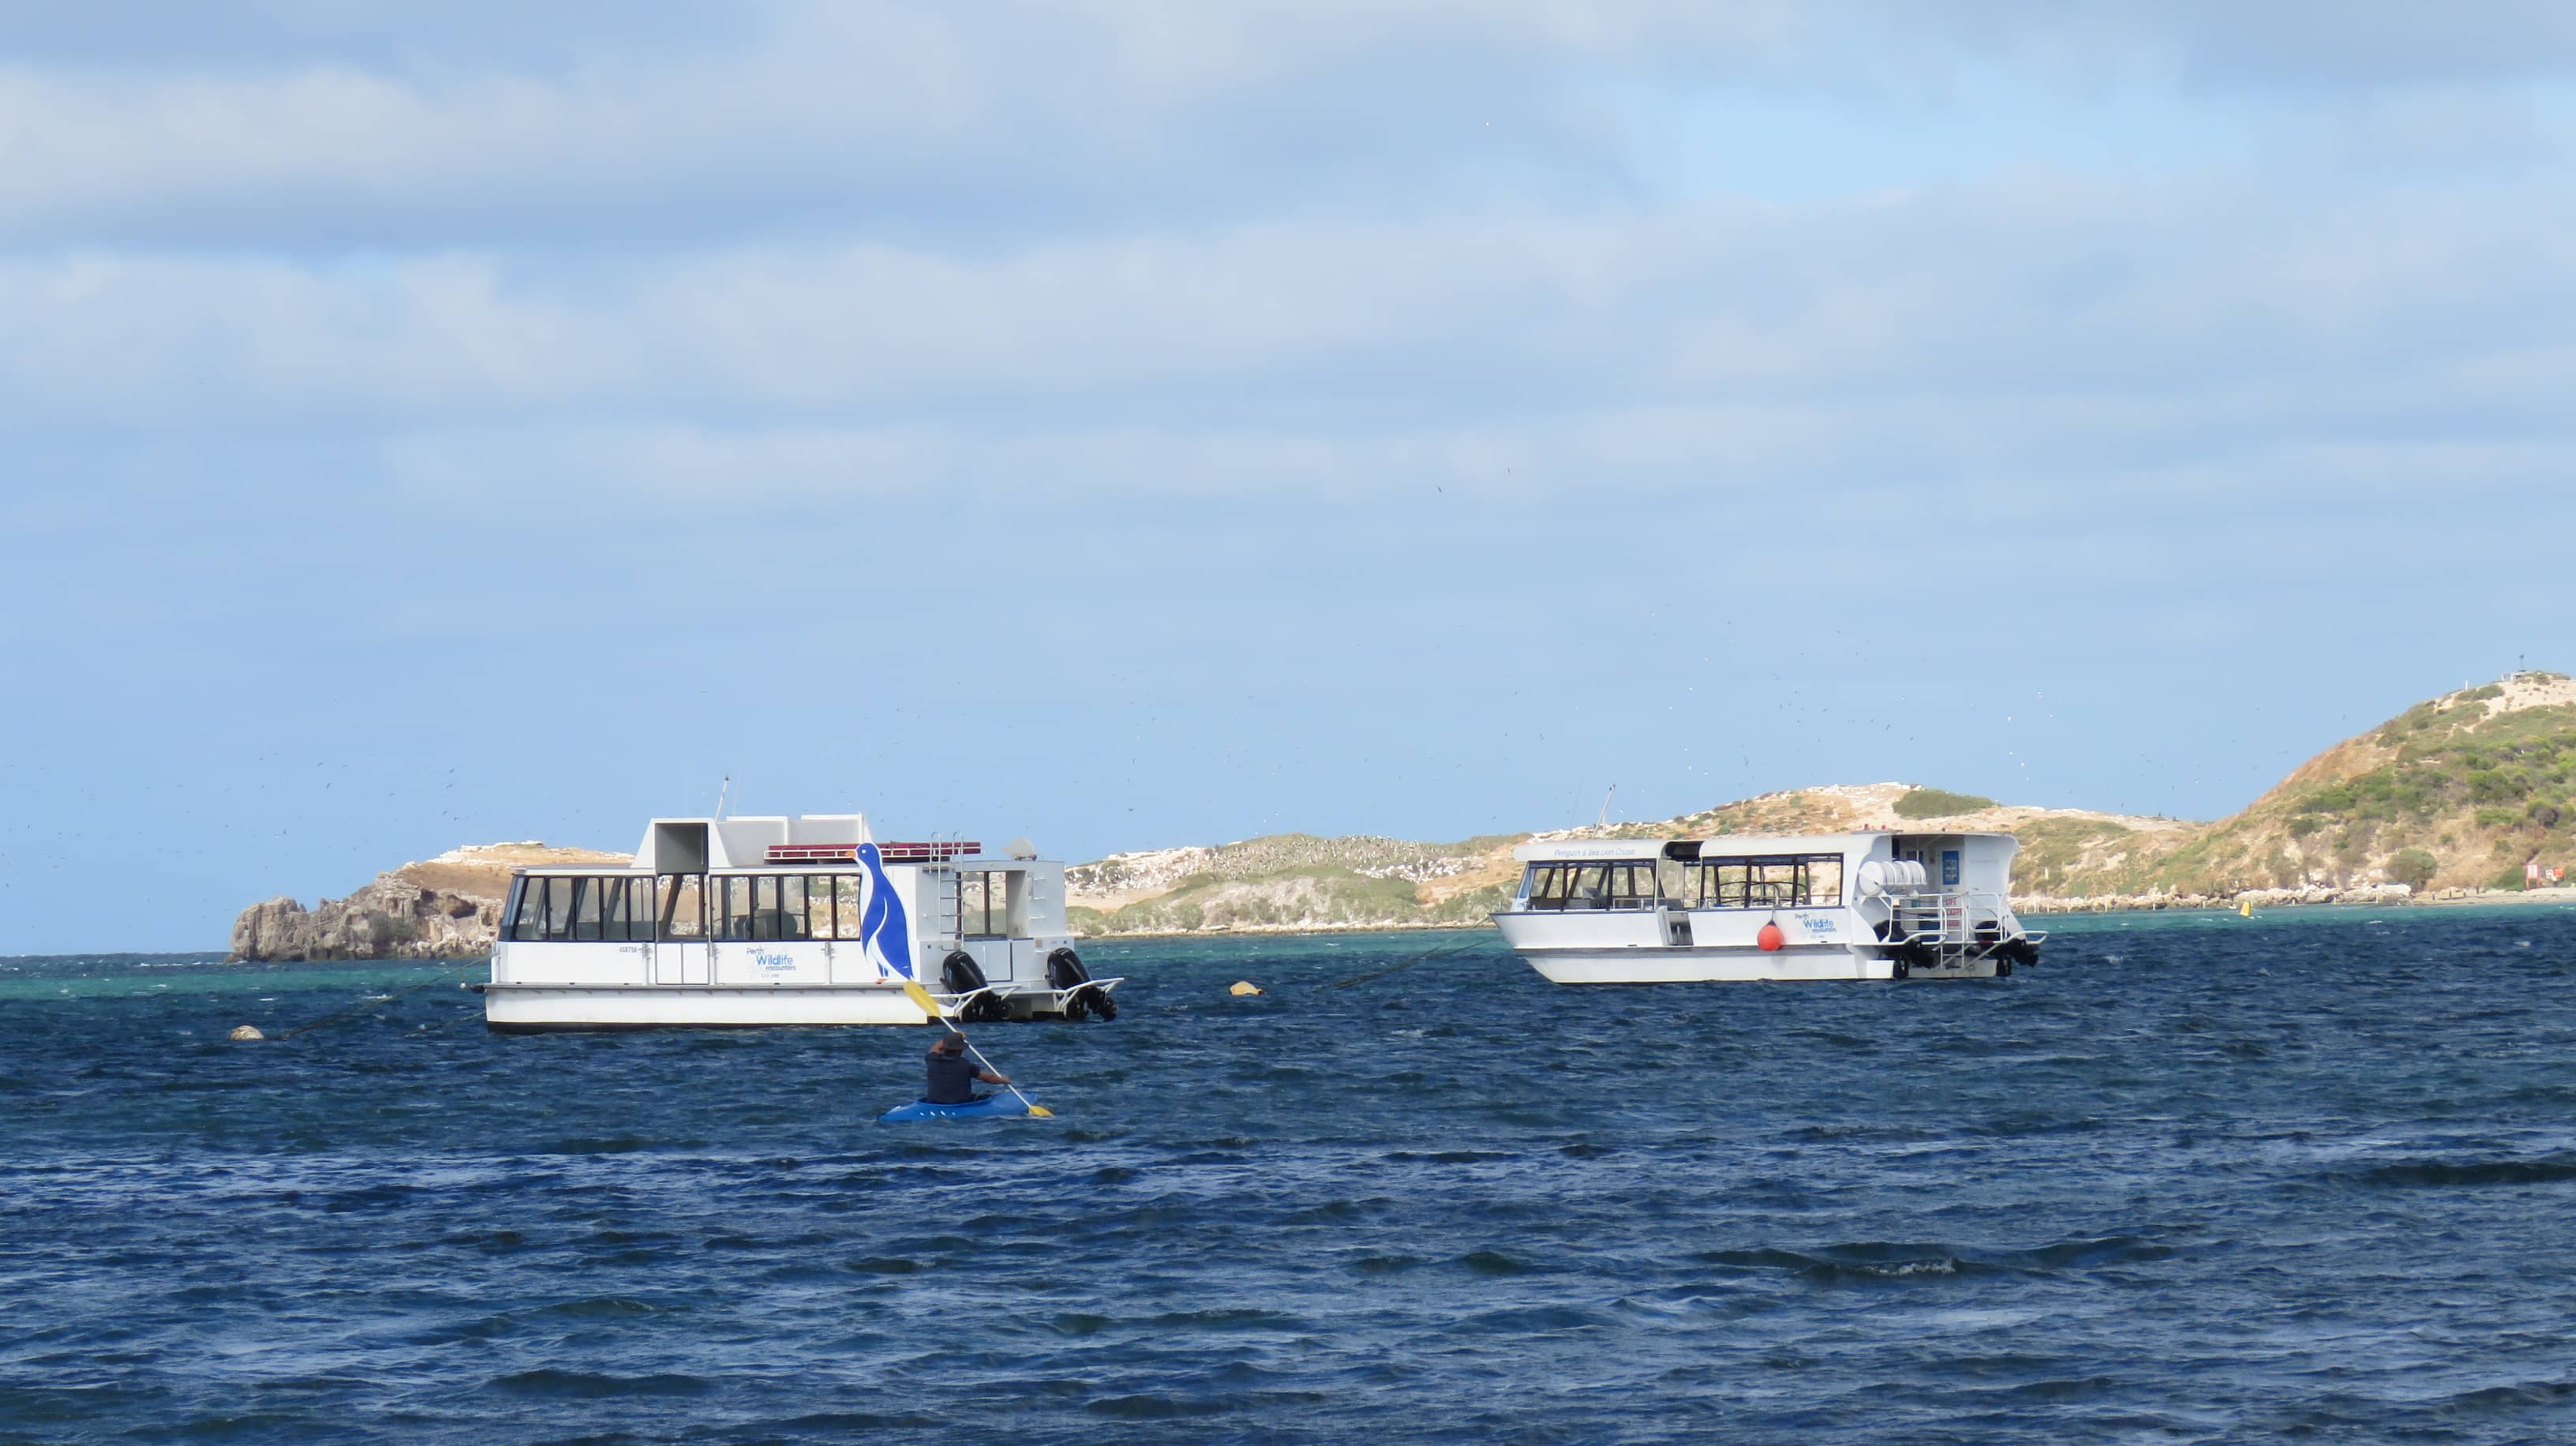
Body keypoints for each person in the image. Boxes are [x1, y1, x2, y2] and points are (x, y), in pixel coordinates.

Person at [924, 1032, 1009, 1105]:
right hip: (958, 1103)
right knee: (985, 1096)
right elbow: (990, 1078)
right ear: (960, 1050)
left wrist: (955, 1036)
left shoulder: (931, 1059)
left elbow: (935, 1047)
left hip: (933, 1102)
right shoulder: (965, 1065)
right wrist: (1004, 1080)